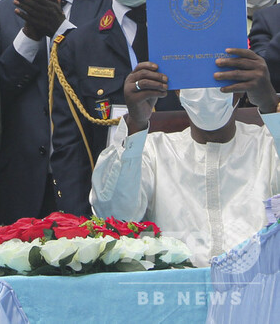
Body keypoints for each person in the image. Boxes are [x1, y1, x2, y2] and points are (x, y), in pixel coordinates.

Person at [49, 0, 182, 216]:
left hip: (183, 202)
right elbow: (70, 149)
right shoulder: (77, 46)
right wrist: (83, 227)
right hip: (110, 210)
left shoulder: (191, 36)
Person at [90, 49, 280, 266]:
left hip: (262, 283)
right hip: (176, 284)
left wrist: (271, 107)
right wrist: (136, 123)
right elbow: (115, 215)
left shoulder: (269, 145)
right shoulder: (152, 151)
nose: (206, 90)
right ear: (177, 90)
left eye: (218, 77)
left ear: (241, 87)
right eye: (193, 78)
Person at [0, 0, 111, 225]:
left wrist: (60, 29)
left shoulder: (110, 4)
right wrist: (29, 34)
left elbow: (108, 80)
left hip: (91, 176)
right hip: (20, 188)